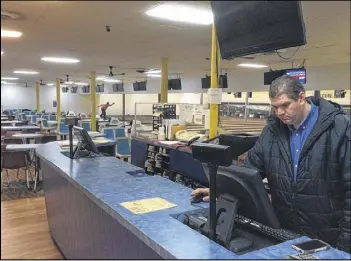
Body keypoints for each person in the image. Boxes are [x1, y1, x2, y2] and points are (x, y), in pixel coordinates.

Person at [191, 75, 350, 253]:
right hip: (285, 232)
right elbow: (249, 174)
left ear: (301, 97)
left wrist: (345, 246)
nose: (280, 112)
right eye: (275, 107)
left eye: (285, 105)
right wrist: (221, 190)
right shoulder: (273, 131)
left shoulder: (339, 128)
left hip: (328, 237)